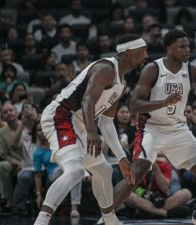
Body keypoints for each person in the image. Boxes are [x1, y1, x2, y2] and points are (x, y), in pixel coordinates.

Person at [108, 29, 196, 225]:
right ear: (169, 49)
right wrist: (163, 102)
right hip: (152, 128)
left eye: (188, 46)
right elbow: (134, 105)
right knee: (135, 174)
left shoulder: (195, 70)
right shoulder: (153, 69)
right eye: (182, 47)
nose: (187, 50)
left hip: (178, 129)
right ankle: (106, 218)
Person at [33, 34, 148, 225]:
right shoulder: (106, 68)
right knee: (76, 170)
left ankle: (109, 219)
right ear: (128, 53)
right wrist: (92, 133)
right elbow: (87, 100)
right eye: (142, 51)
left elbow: (106, 122)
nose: (146, 55)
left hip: (79, 123)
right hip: (62, 116)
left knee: (104, 170)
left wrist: (120, 157)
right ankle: (41, 221)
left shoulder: (121, 83)